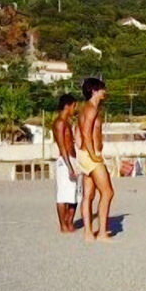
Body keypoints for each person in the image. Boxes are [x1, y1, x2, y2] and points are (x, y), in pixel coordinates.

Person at [78, 77, 114, 243]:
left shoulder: (85, 108)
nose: (104, 92)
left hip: (86, 154)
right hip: (90, 155)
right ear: (94, 91)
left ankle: (88, 233)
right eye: (101, 89)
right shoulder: (91, 109)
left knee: (89, 194)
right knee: (107, 192)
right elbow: (86, 133)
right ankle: (101, 233)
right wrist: (93, 154)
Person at [52, 94, 81, 233]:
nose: (75, 109)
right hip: (65, 160)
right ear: (67, 106)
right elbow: (62, 146)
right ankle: (63, 224)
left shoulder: (67, 122)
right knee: (63, 195)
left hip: (72, 158)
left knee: (75, 194)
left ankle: (69, 222)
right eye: (74, 106)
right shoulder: (60, 123)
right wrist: (69, 166)